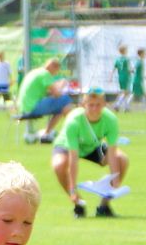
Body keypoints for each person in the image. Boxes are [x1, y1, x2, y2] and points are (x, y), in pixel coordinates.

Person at [52, 89, 130, 218]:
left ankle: (104, 206)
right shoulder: (74, 121)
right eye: (91, 105)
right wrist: (73, 189)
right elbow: (73, 158)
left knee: (121, 159)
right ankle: (78, 203)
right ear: (83, 105)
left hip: (92, 146)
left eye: (98, 105)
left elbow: (112, 153)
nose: (94, 109)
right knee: (59, 165)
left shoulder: (110, 120)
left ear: (104, 104)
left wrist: (115, 182)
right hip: (67, 146)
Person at [17, 58, 72, 142]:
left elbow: (48, 91)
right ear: (54, 67)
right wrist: (61, 85)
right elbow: (57, 94)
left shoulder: (35, 72)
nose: (55, 74)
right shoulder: (45, 74)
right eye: (57, 71)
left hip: (24, 107)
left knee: (62, 108)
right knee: (66, 99)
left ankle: (47, 132)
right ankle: (71, 131)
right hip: (32, 106)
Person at [112, 44, 133, 112]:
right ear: (124, 51)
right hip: (126, 77)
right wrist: (133, 71)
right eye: (126, 50)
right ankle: (117, 105)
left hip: (120, 77)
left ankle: (126, 108)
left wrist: (110, 77)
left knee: (125, 92)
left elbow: (114, 69)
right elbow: (129, 69)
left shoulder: (117, 59)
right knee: (127, 93)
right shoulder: (126, 59)